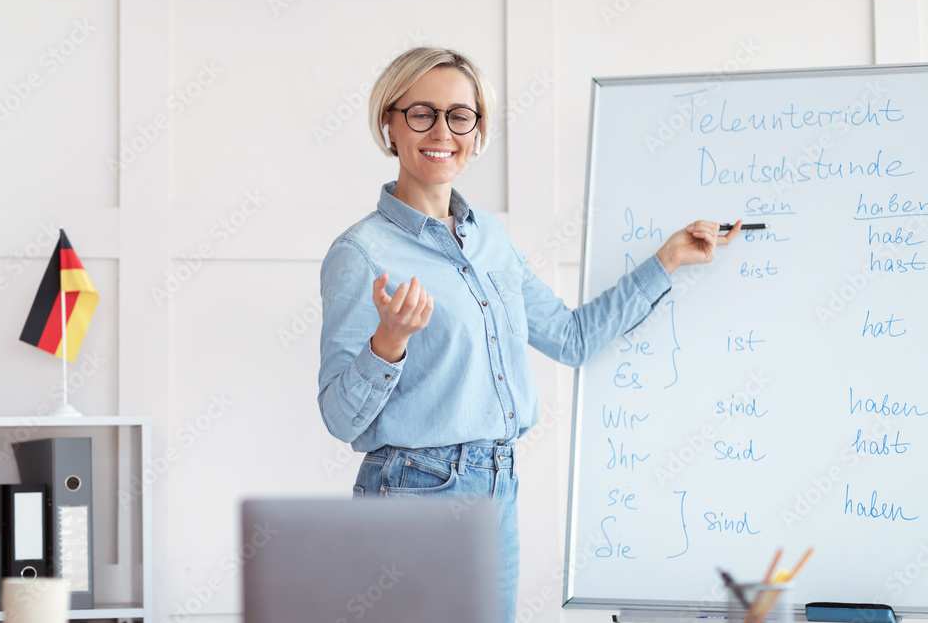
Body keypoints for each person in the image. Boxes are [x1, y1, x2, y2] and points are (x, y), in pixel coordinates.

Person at [317, 46, 742, 623]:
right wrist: (388, 341)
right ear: (389, 124)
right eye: (421, 113)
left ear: (478, 129)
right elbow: (340, 418)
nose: (442, 130)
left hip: (498, 486)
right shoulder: (361, 253)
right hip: (412, 492)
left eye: (459, 115)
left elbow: (571, 337)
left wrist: (667, 260)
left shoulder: (489, 238)